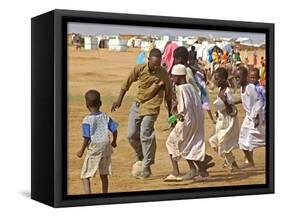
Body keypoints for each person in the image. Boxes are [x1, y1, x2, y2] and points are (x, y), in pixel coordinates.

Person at [111, 48, 172, 178]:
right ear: (149, 60)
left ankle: (146, 166)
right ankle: (141, 155)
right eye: (154, 63)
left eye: (158, 64)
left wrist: (170, 115)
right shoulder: (139, 68)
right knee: (131, 135)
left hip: (152, 107)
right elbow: (126, 83)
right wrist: (119, 100)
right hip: (138, 104)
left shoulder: (164, 74)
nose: (156, 67)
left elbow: (168, 95)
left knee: (146, 133)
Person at [165, 64, 213, 181]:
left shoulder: (181, 88)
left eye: (173, 77)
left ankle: (177, 172)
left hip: (186, 121)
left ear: (180, 77)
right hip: (195, 121)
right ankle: (202, 171)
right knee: (189, 145)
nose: (172, 79)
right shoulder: (191, 87)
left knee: (172, 143)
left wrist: (174, 115)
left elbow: (183, 110)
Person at [76, 90, 118, 194]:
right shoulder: (105, 116)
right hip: (106, 146)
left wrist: (81, 151)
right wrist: (114, 142)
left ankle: (88, 196)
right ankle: (105, 193)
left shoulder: (87, 120)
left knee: (85, 176)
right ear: (100, 103)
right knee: (104, 174)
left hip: (95, 148)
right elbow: (115, 130)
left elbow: (86, 137)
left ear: (86, 105)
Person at [209, 68, 240, 171]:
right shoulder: (219, 90)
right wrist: (217, 112)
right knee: (213, 141)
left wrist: (225, 102)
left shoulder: (227, 92)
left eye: (217, 79)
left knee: (223, 142)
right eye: (215, 79)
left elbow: (232, 110)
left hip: (228, 121)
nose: (215, 81)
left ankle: (232, 164)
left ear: (223, 79)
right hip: (221, 120)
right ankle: (229, 160)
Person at [235, 66, 265, 168]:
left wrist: (256, 117)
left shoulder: (250, 87)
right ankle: (250, 161)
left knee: (259, 137)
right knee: (243, 139)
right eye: (236, 78)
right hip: (248, 118)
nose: (237, 79)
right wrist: (233, 102)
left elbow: (258, 102)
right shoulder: (242, 88)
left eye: (239, 77)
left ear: (245, 77)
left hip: (255, 117)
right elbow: (244, 100)